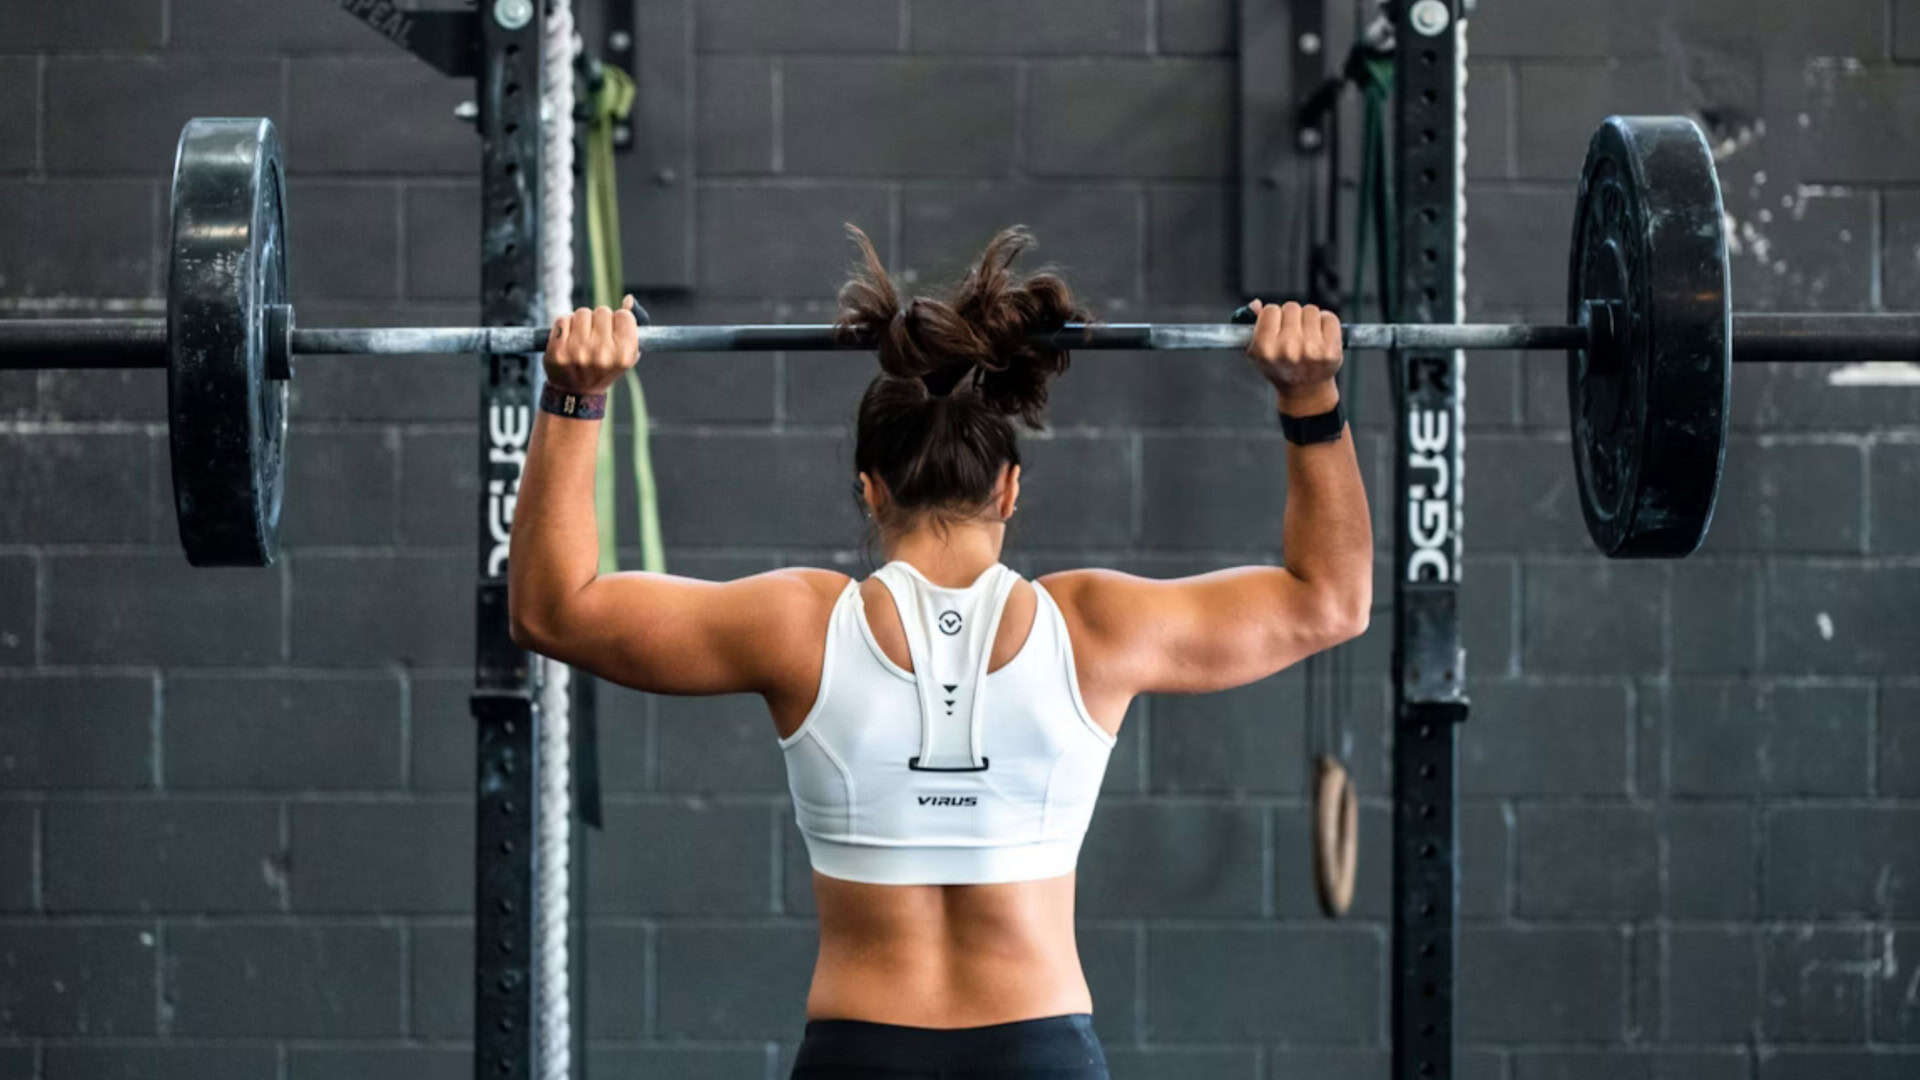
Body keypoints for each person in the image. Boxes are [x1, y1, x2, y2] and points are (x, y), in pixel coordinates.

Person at [508, 226, 1373, 1079]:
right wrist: (1311, 399)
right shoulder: (1094, 627)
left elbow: (554, 611)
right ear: (1009, 486)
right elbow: (1330, 601)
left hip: (862, 1051)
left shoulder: (799, 626)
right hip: (1040, 1050)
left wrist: (575, 397)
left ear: (868, 488)